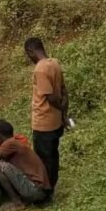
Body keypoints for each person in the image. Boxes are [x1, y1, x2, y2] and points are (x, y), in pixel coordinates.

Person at [25, 37, 68, 195]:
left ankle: (46, 191)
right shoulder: (54, 63)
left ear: (30, 51)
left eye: (28, 54)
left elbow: (50, 97)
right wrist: (64, 113)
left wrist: (60, 107)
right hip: (55, 120)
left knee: (44, 158)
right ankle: (51, 185)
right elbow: (63, 90)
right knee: (53, 154)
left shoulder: (40, 69)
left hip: (44, 122)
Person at [0, 119, 51, 211]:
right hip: (40, 190)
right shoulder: (15, 141)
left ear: (0, 136)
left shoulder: (9, 143)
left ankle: (17, 203)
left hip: (36, 190)